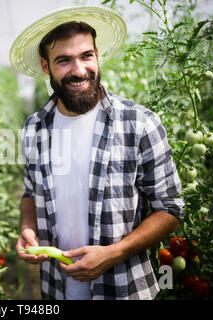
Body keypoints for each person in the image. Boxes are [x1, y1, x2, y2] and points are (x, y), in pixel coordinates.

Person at [9, 6, 185, 300]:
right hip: (57, 288)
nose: (79, 71)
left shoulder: (139, 123)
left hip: (123, 288)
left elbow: (170, 208)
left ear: (97, 54)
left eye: (86, 56)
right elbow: (30, 192)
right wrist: (27, 227)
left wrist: (115, 253)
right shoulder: (34, 129)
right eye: (64, 60)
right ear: (45, 66)